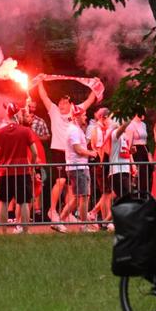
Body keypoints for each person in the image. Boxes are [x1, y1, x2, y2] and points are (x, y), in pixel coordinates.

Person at [37, 80, 97, 222]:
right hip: (58, 149)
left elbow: (90, 100)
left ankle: (67, 212)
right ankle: (51, 210)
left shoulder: (76, 112)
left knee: (71, 184)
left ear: (71, 105)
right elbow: (44, 96)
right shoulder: (54, 111)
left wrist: (95, 85)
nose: (61, 105)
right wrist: (40, 82)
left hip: (71, 153)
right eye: (60, 102)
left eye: (65, 102)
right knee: (61, 181)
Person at [0, 105, 39, 234]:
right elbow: (35, 153)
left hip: (5, 172)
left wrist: (0, 163)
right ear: (17, 115)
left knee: (4, 202)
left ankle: (4, 232)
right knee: (23, 202)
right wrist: (32, 166)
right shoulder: (25, 131)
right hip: (22, 171)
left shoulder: (0, 132)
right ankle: (25, 230)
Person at [52, 105, 98, 233]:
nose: (86, 117)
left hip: (78, 167)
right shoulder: (73, 130)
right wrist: (91, 153)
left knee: (79, 197)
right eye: (83, 115)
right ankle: (83, 226)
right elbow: (78, 149)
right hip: (78, 167)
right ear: (77, 116)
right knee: (83, 197)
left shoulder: (75, 129)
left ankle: (60, 221)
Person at [126, 107, 152, 193]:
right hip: (136, 151)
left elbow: (146, 140)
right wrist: (132, 163)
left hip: (145, 149)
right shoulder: (130, 125)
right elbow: (129, 145)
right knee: (141, 177)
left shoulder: (144, 125)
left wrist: (149, 155)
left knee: (148, 175)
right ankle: (140, 197)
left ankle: (146, 196)